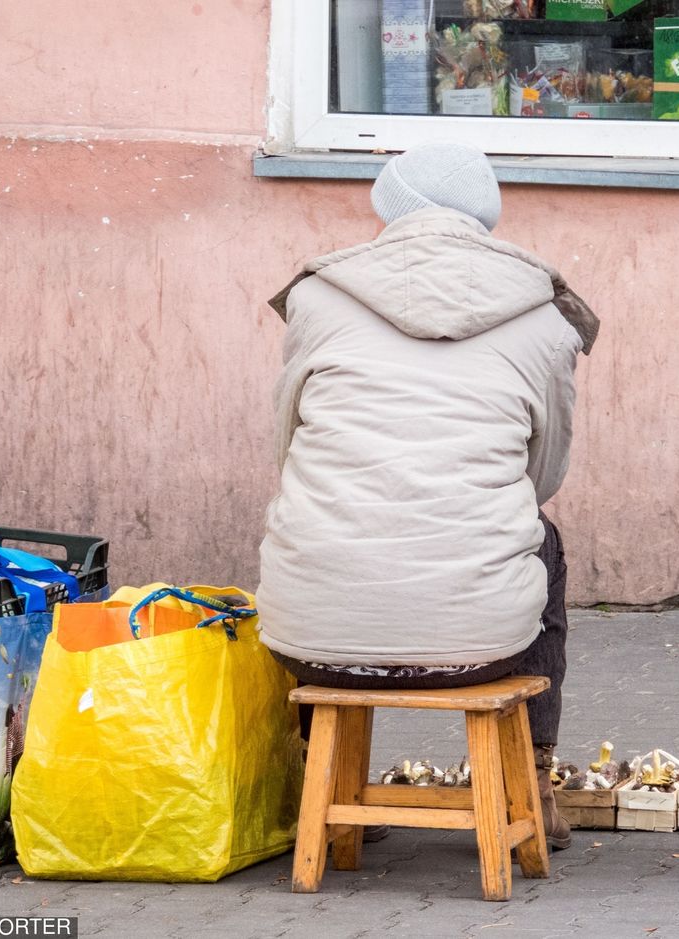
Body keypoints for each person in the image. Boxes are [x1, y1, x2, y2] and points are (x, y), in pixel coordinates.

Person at [256, 142, 597, 850]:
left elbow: (289, 446)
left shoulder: (319, 296)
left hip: (314, 644)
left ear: (388, 207)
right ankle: (530, 778)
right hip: (485, 645)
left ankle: (310, 786)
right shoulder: (544, 313)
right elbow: (544, 472)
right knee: (544, 538)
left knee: (310, 526)